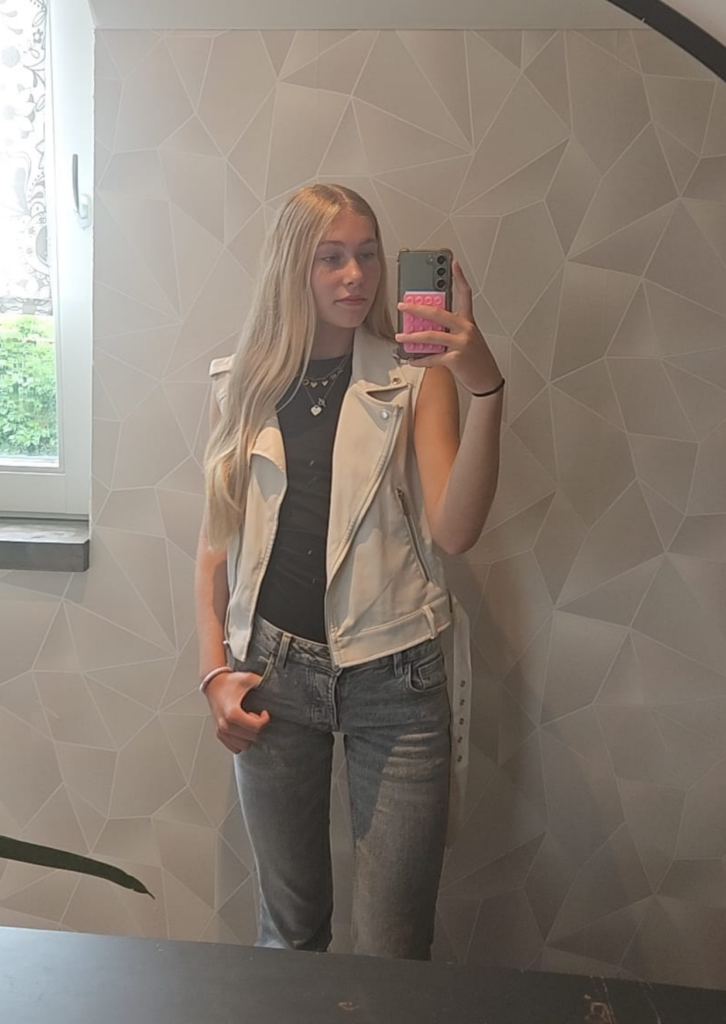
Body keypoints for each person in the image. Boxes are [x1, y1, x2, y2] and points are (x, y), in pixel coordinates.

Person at [195, 183, 503, 960]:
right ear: (291, 268)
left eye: (367, 254)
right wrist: (213, 672)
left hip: (395, 677)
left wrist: (485, 389)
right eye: (330, 257)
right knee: (289, 936)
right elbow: (216, 545)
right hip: (272, 675)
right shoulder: (242, 384)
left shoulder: (417, 375)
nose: (355, 275)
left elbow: (456, 531)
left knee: (393, 951)